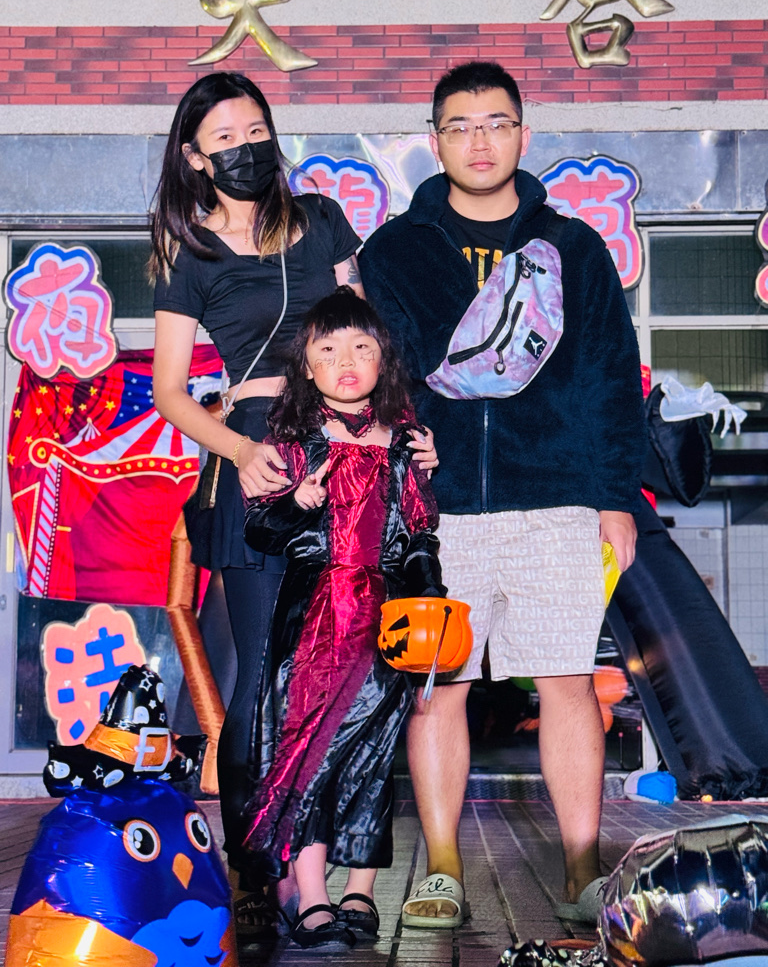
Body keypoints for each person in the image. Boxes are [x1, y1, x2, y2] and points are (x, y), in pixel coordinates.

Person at [149, 71, 436, 937]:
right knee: (259, 684)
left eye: (256, 131)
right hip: (259, 458)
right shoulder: (190, 254)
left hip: (349, 453)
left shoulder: (319, 218)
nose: (246, 148)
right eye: (225, 139)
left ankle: (332, 875)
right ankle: (257, 873)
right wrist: (240, 452)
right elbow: (170, 392)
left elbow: (365, 336)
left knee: (354, 676)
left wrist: (406, 433)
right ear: (195, 157)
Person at [360, 61, 645, 928]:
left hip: (557, 497)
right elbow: (381, 375)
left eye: (496, 123)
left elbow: (610, 376)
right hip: (438, 512)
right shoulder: (395, 252)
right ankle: (442, 869)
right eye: (460, 125)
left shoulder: (573, 247)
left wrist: (615, 497)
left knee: (567, 680)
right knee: (436, 687)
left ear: (524, 133)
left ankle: (583, 869)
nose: (479, 141)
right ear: (434, 140)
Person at [241, 287, 445, 949]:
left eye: (361, 347)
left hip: (386, 620)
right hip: (314, 618)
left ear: (384, 359)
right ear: (306, 365)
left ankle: (360, 890)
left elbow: (420, 532)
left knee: (374, 753)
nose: (347, 361)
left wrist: (430, 596)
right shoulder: (295, 442)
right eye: (328, 350)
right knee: (306, 750)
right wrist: (295, 502)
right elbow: (260, 531)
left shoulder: (405, 443)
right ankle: (311, 895)